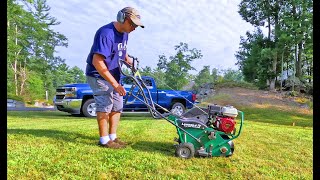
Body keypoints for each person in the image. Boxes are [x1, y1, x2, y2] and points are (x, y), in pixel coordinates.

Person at [85, 7, 144, 149]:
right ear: (122, 18)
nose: (134, 28)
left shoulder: (125, 33)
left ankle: (113, 137)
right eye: (132, 24)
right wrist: (114, 84)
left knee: (117, 106)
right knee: (105, 104)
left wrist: (129, 61)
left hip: (114, 75)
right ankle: (104, 140)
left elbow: (121, 52)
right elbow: (97, 61)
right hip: (99, 74)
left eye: (136, 25)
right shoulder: (106, 33)